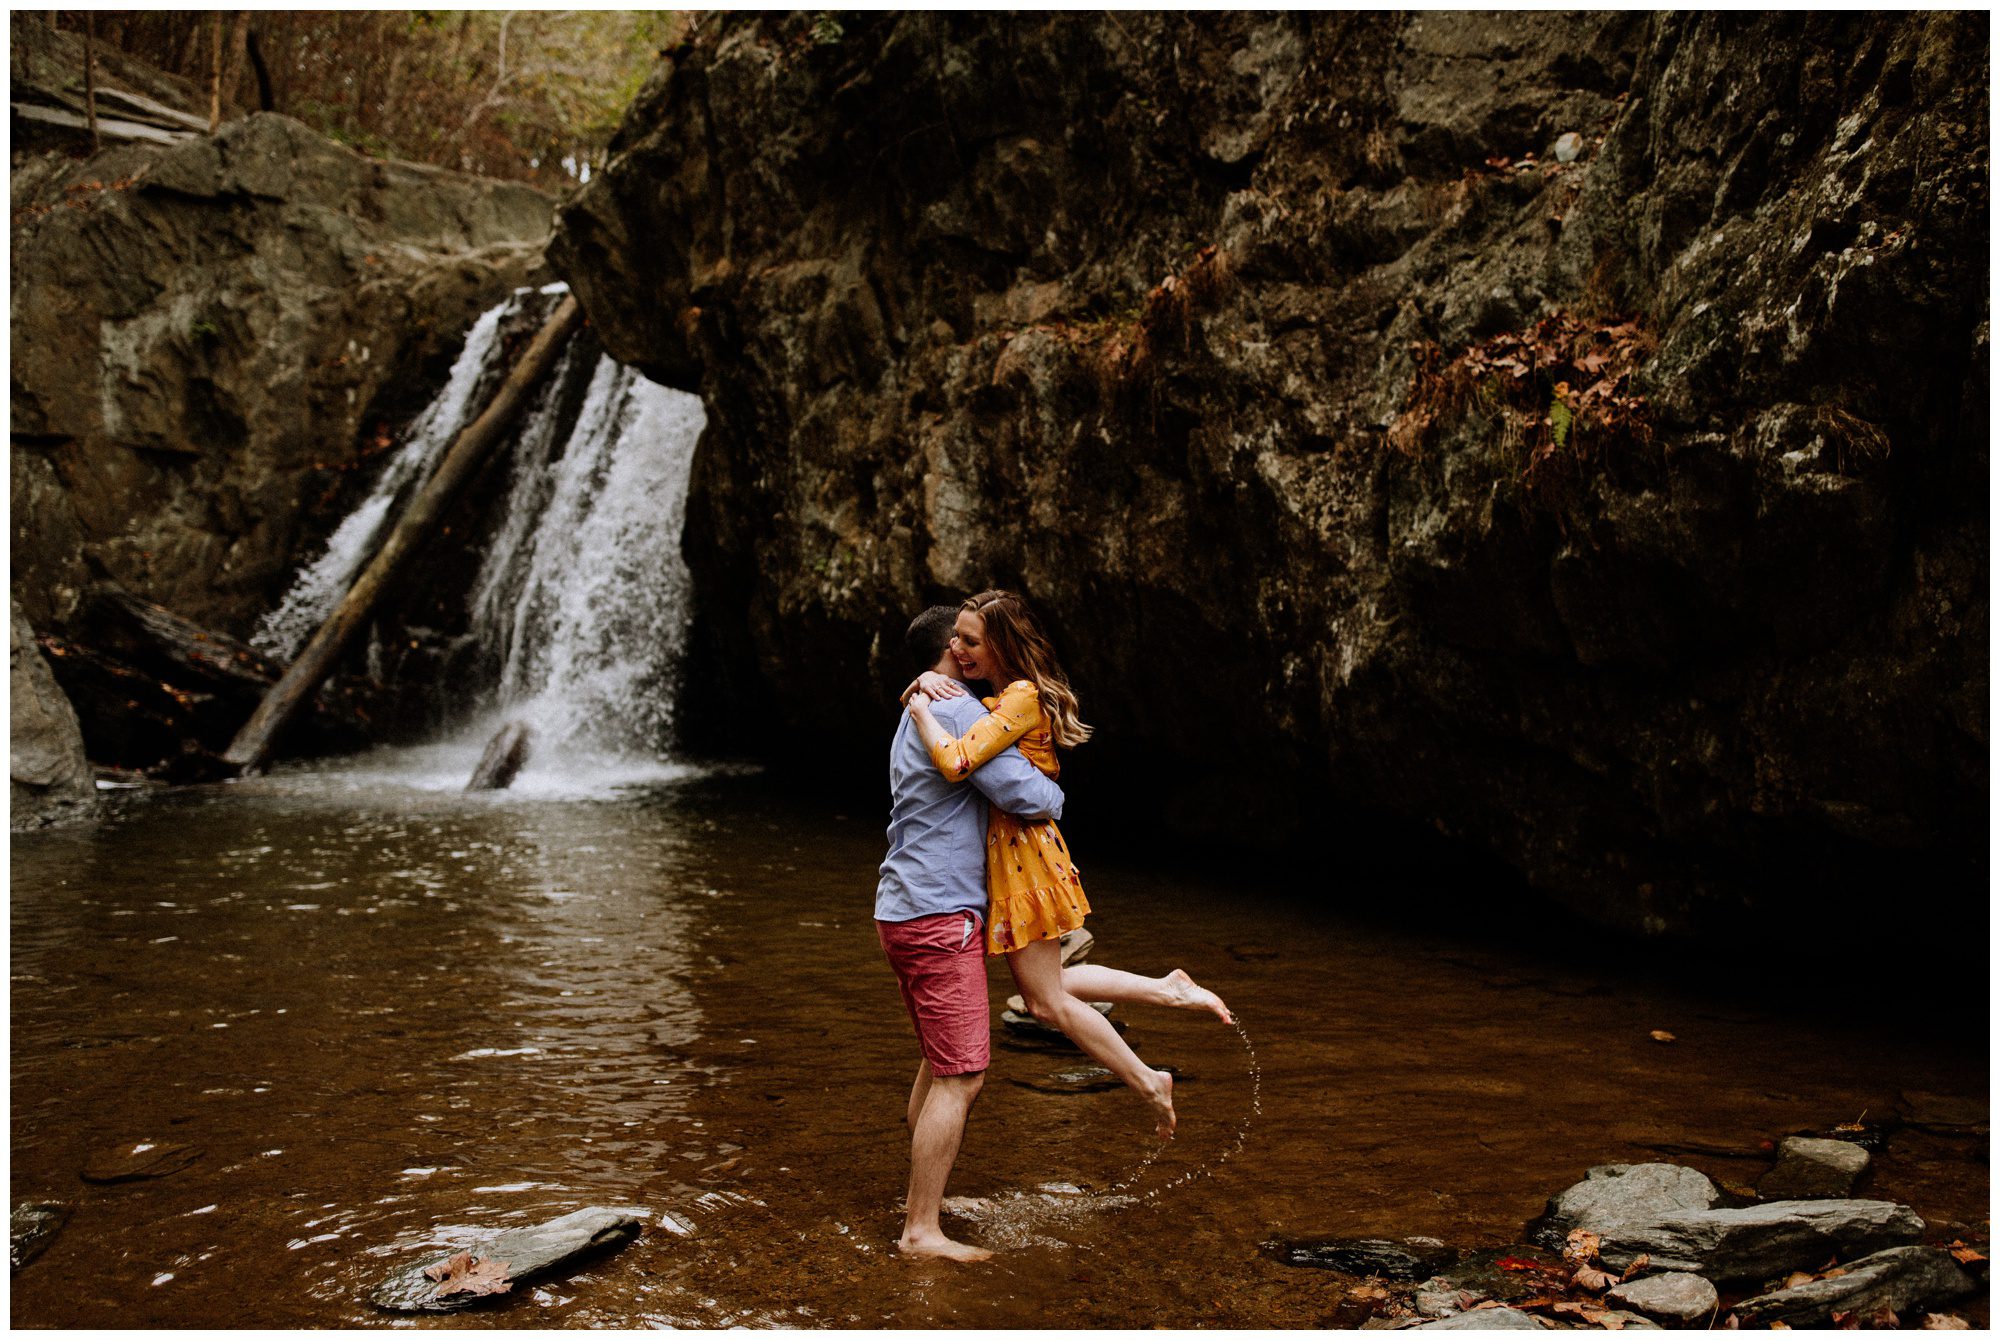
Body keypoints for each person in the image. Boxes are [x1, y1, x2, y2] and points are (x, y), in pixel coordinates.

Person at [904, 589, 1231, 1144]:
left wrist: (918, 709)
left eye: (970, 641)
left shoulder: (1019, 697)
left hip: (1025, 859)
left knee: (1045, 1001)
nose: (957, 648)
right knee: (1045, 988)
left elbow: (958, 761)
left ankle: (1148, 1079)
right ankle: (1167, 990)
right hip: (1014, 854)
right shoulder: (1000, 696)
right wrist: (921, 683)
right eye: (954, 639)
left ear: (1000, 645)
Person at [876, 605, 1066, 1263]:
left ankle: (924, 1199)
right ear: (952, 654)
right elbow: (1032, 797)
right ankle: (921, 1230)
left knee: (939, 1062)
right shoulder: (956, 710)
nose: (974, 651)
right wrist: (1056, 790)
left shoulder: (919, 706)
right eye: (965, 641)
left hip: (903, 908)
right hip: (939, 913)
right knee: (961, 1076)